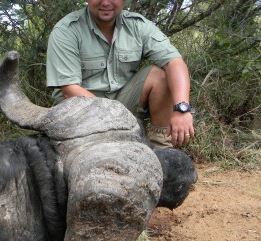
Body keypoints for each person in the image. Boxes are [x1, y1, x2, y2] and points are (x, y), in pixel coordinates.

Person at [46, 0, 195, 148]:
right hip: (80, 113)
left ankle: (161, 150)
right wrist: (117, 119)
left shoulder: (137, 25)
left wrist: (182, 109)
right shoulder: (66, 30)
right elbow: (69, 90)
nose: (105, 3)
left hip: (122, 108)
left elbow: (174, 62)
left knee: (160, 75)